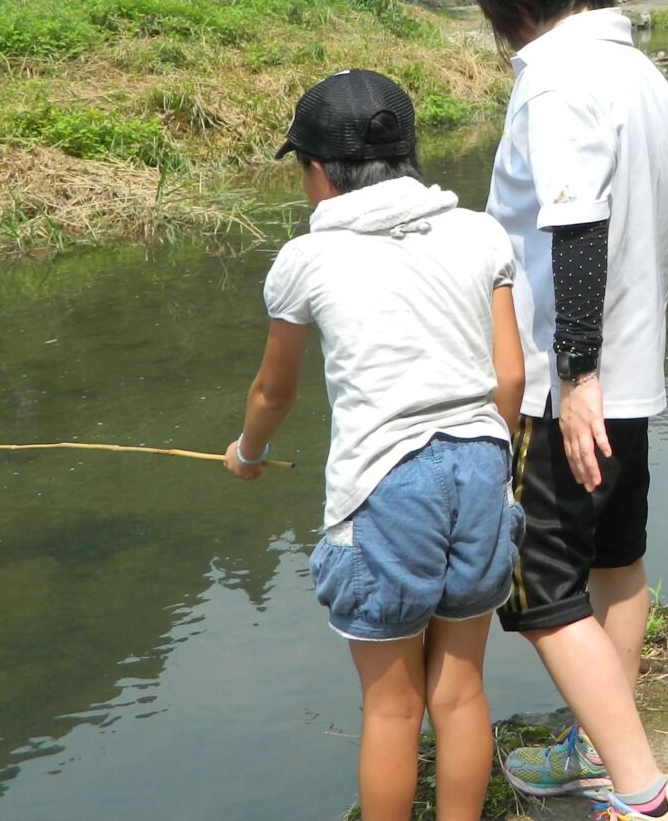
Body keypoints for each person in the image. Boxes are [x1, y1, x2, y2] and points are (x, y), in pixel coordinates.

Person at [224, 69, 524, 821]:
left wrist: (248, 454)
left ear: (319, 170)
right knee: (460, 690)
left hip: (388, 488)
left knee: (392, 707)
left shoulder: (306, 260)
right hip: (483, 465)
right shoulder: (479, 230)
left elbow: (273, 391)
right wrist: (497, 467)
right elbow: (509, 374)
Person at [470, 0, 668, 821]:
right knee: (617, 562)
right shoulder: (642, 74)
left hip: (560, 386)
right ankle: (596, 751)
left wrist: (574, 377)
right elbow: (663, 228)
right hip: (630, 373)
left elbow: (575, 227)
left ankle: (644, 795)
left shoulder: (558, 79)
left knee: (538, 587)